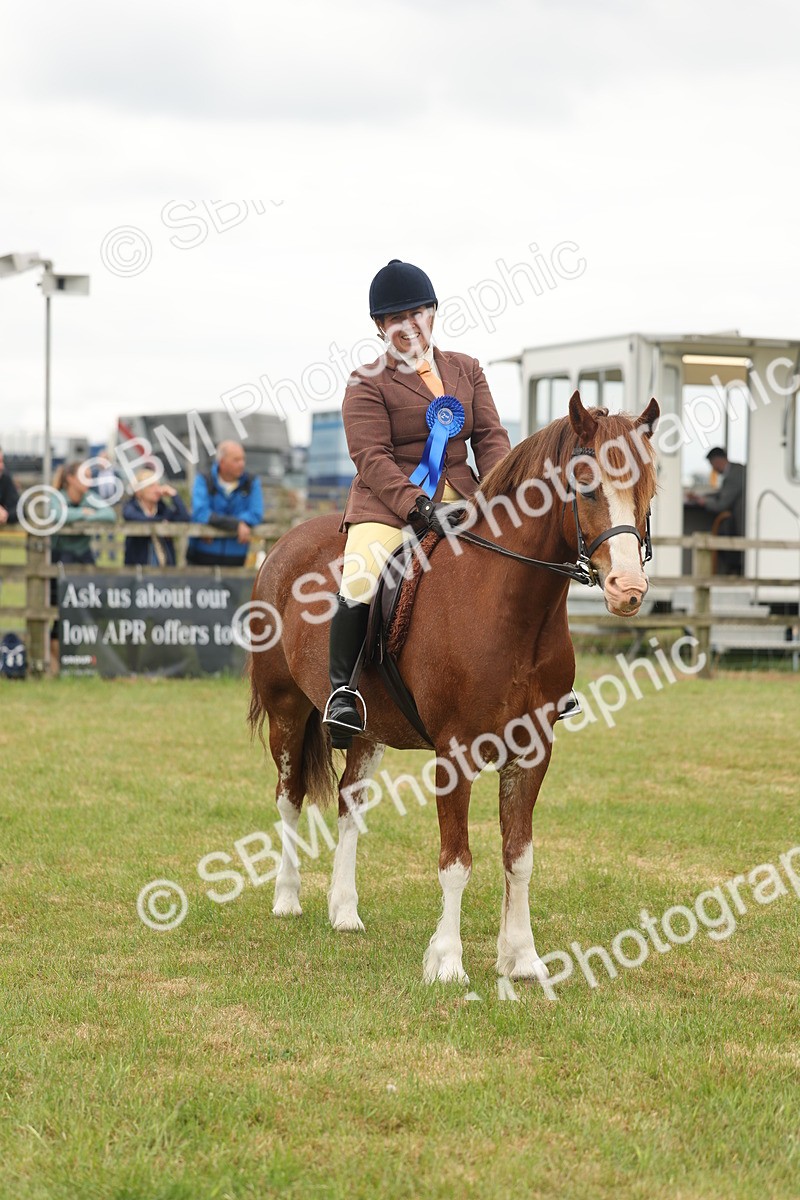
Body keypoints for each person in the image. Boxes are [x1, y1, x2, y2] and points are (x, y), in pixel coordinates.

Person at [323, 259, 511, 747]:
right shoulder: (366, 382)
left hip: (467, 497)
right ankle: (342, 693)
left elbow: (490, 435)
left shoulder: (466, 369)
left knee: (525, 555)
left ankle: (540, 678)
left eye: (417, 313)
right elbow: (371, 456)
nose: (408, 326)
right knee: (361, 575)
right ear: (380, 327)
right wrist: (415, 505)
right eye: (395, 319)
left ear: (432, 313)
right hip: (388, 505)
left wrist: (502, 487)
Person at [49, 461, 117, 669]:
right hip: (61, 557)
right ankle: (55, 663)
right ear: (70, 478)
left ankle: (74, 660)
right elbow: (59, 515)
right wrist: (83, 514)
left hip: (84, 557)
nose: (89, 480)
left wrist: (87, 514)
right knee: (58, 610)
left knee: (88, 606)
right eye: (84, 475)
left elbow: (110, 515)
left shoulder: (90, 498)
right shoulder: (56, 496)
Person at [186, 441, 264, 567]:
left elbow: (256, 514)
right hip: (201, 557)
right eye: (236, 460)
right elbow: (200, 512)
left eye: (243, 459)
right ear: (222, 462)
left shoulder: (251, 482)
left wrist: (214, 522)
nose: (242, 464)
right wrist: (236, 524)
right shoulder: (204, 480)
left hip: (236, 558)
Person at [688, 447, 746, 574]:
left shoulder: (735, 475)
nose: (713, 469)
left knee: (722, 535)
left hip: (739, 522)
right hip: (736, 520)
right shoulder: (735, 471)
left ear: (717, 461)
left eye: (712, 464)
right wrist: (702, 497)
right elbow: (722, 494)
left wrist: (703, 501)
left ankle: (733, 571)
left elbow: (721, 504)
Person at [122, 469, 190, 566]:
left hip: (165, 568)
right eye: (151, 486)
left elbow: (184, 518)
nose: (157, 489)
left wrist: (174, 495)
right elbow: (134, 517)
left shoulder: (162, 508)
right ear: (139, 491)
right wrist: (161, 521)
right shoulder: (131, 507)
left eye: (158, 485)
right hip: (138, 569)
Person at [0, 447, 20, 526]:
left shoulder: (5, 478)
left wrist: (6, 514)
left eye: (2, 461)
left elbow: (19, 509)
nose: (1, 466)